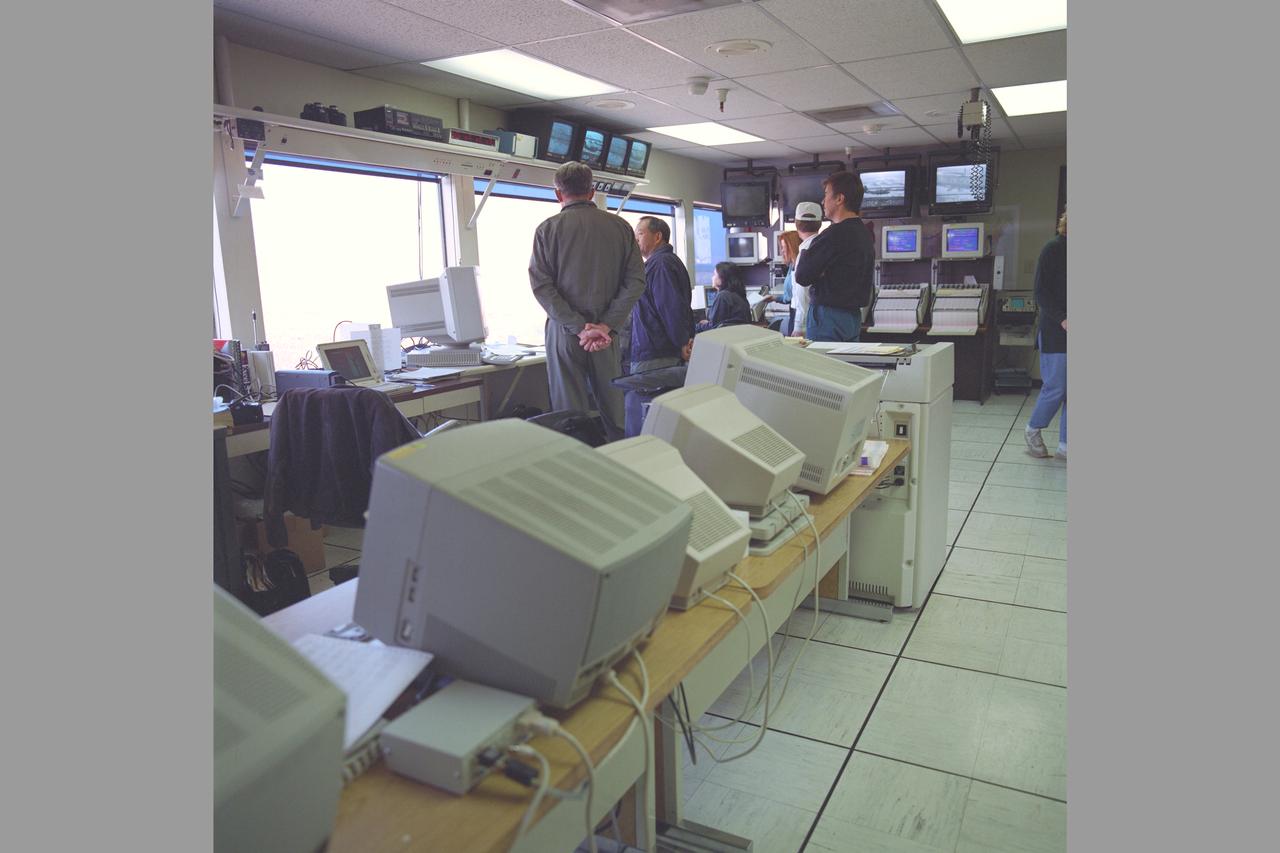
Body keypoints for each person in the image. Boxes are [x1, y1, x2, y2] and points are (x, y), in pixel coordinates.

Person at [528, 162, 645, 441]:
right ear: (592, 192)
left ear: (558, 194)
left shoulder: (547, 230)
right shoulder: (620, 227)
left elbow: (542, 286)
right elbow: (636, 282)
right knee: (616, 414)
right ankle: (625, 471)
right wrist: (605, 326)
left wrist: (580, 327)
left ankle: (577, 475)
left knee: (570, 418)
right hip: (606, 335)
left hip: (566, 334)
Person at [625, 216, 695, 437]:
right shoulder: (659, 264)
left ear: (658, 237)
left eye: (640, 234)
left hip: (656, 356)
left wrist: (682, 341)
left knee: (649, 421)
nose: (635, 240)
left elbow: (670, 307)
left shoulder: (661, 264)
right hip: (657, 351)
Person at [793, 171, 875, 342]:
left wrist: (810, 258)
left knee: (824, 367)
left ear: (839, 199)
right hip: (852, 316)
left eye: (826, 195)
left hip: (828, 316)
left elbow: (802, 275)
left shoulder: (833, 235)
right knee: (845, 366)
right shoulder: (864, 233)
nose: (823, 201)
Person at [1025, 210, 1068, 459]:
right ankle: (1033, 429)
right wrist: (1063, 318)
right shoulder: (1053, 249)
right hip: (1056, 330)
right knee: (1057, 387)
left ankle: (1066, 445)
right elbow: (1041, 293)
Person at [789, 202, 822, 337]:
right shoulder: (823, 246)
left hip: (809, 321)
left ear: (796, 223)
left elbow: (802, 290)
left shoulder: (805, 251)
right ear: (819, 223)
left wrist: (798, 326)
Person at [697, 262, 752, 332]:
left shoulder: (723, 296)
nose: (712, 277)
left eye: (714, 274)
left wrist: (697, 326)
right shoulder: (741, 296)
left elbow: (713, 327)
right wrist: (708, 323)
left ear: (723, 278)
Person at [771, 230, 803, 336]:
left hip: (800, 316)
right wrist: (774, 298)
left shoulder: (800, 268)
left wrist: (798, 326)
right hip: (793, 312)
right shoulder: (792, 266)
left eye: (783, 247)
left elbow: (801, 300)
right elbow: (790, 296)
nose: (782, 251)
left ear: (792, 247)